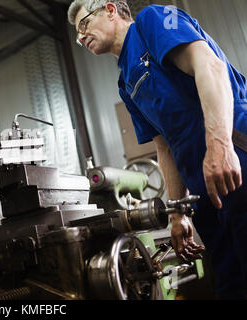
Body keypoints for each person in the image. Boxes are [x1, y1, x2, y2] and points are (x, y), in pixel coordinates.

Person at [67, 0, 247, 299]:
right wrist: (178, 213)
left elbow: (209, 65)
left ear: (110, 9)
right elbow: (164, 148)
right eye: (77, 35)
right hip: (202, 185)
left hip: (235, 149)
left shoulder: (152, 20)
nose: (81, 37)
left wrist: (220, 144)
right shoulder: (125, 83)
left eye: (84, 24)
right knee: (230, 280)